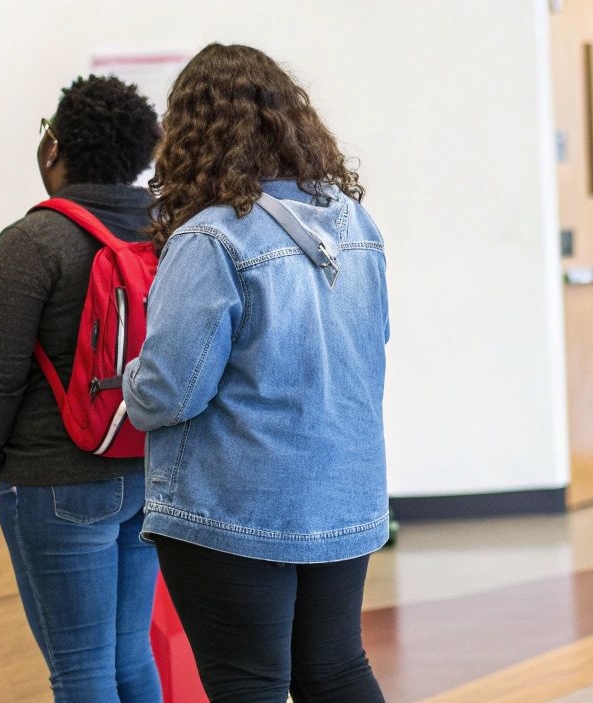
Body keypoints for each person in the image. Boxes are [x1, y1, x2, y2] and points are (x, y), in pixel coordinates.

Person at [123, 44, 388, 702]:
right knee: (336, 671)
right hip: (343, 492)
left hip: (237, 502)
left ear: (187, 134)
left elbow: (168, 393)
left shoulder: (211, 237)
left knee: (248, 685)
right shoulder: (356, 226)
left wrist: (126, 378)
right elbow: (374, 344)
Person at [0, 75, 164, 703]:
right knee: (132, 657)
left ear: (53, 147)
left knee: (79, 671)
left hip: (55, 475)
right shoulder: (168, 230)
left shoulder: (32, 241)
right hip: (150, 466)